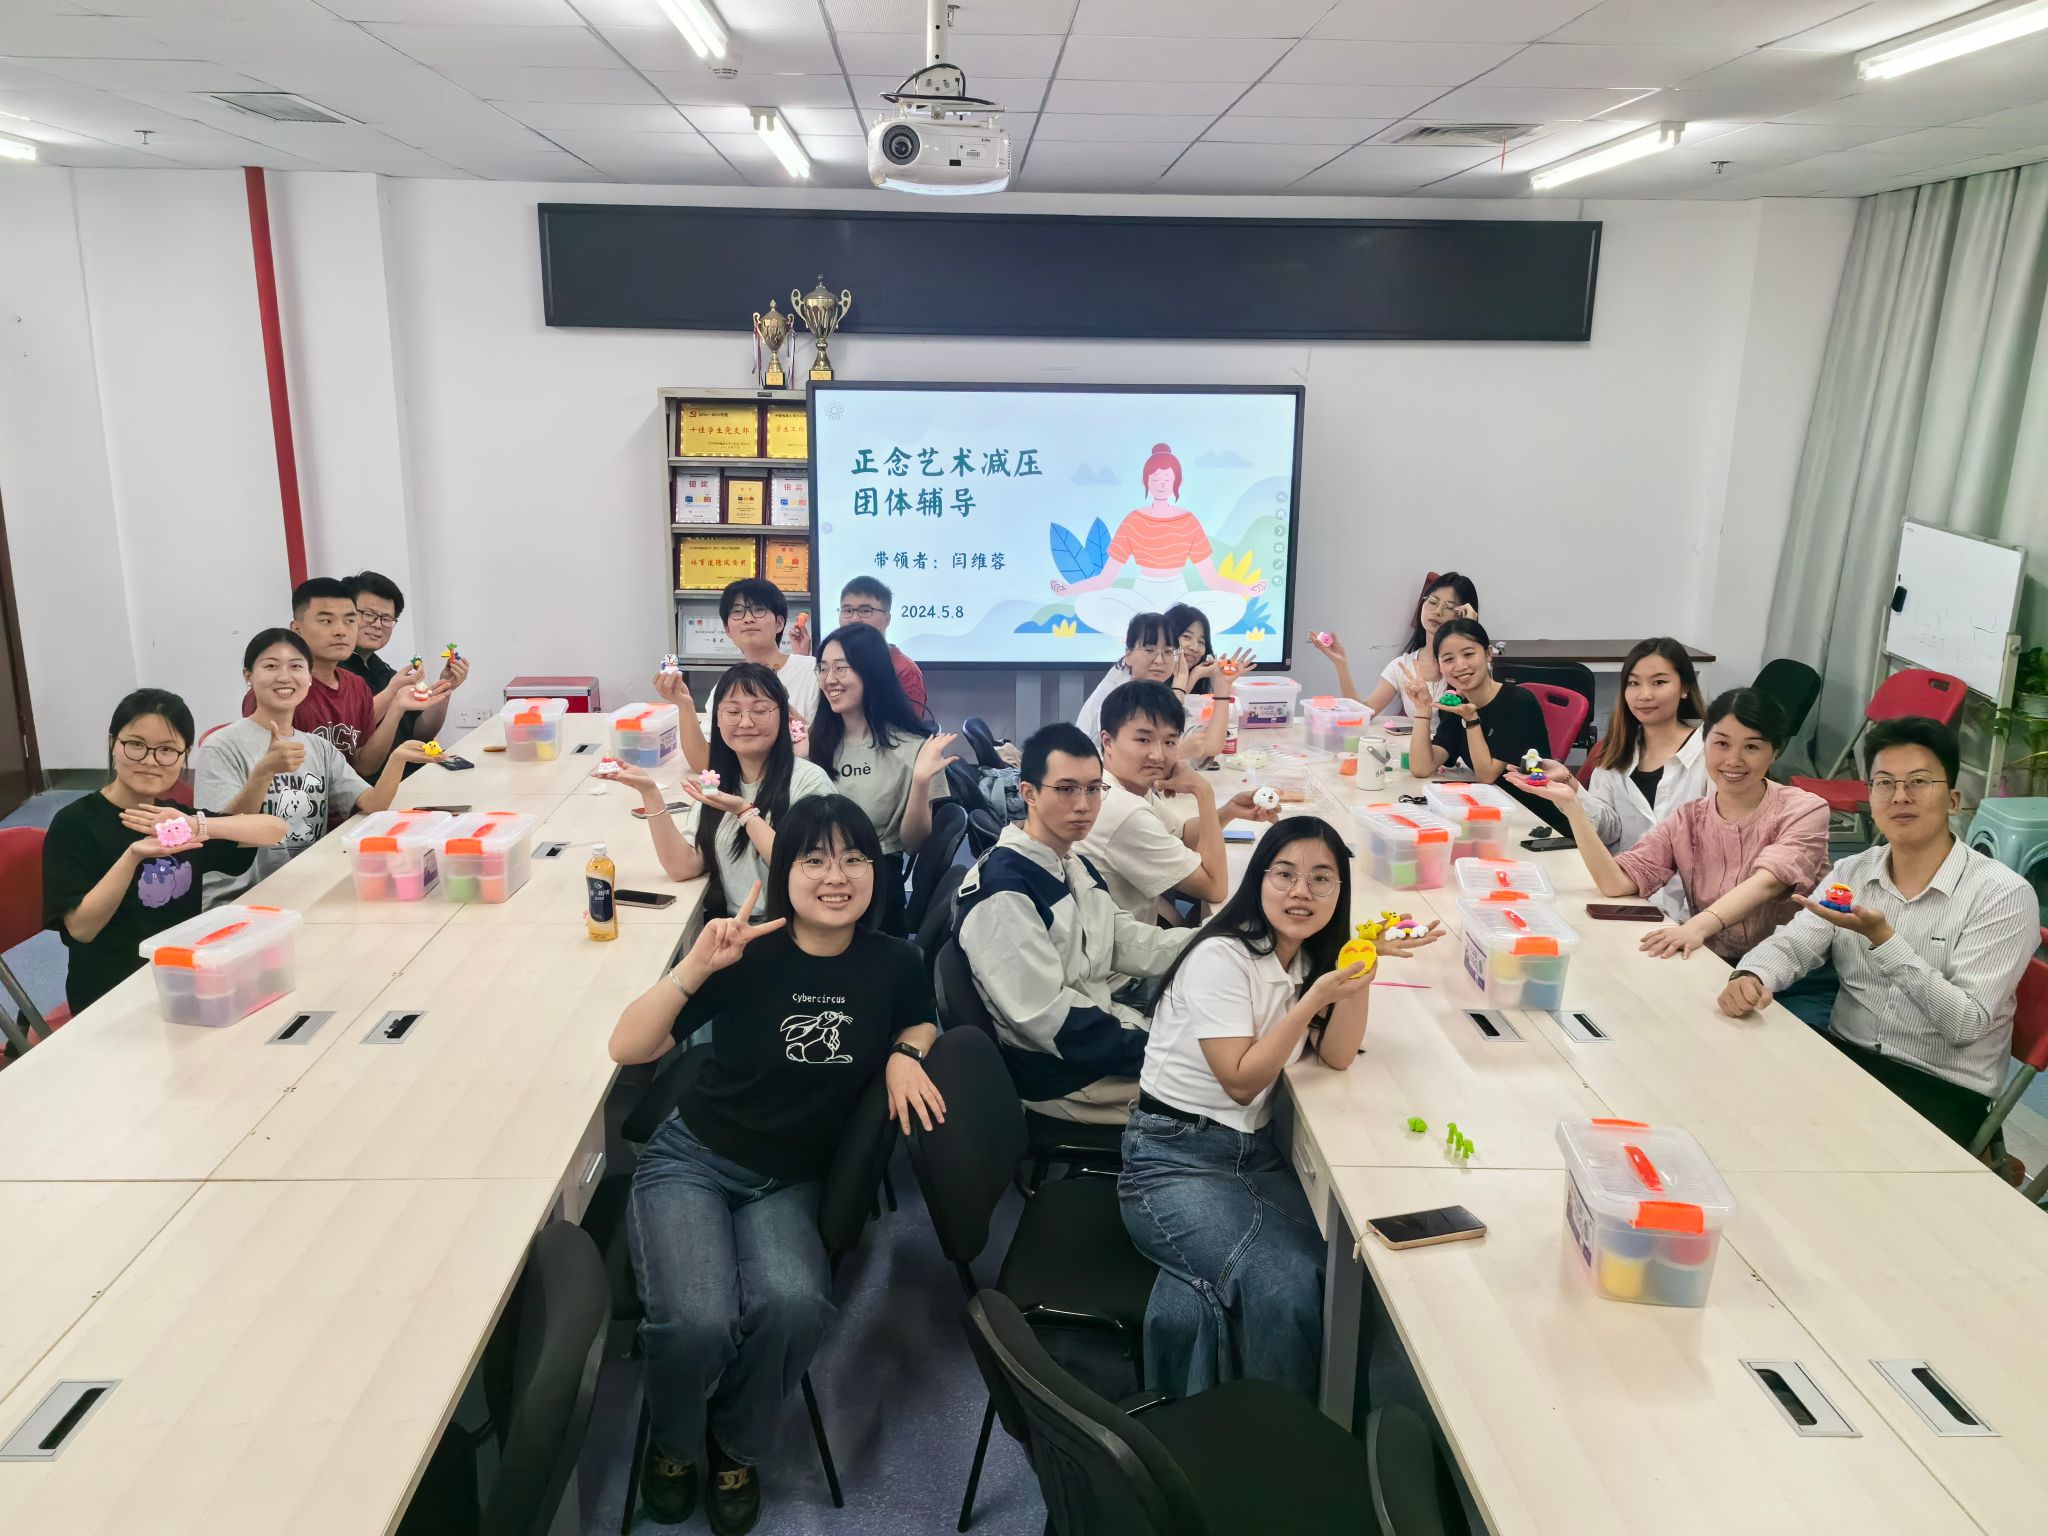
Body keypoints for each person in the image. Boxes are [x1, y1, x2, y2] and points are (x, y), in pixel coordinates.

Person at [608, 797, 946, 1534]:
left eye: (854, 858)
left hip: (789, 1181)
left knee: (793, 1307)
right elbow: (628, 1048)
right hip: (696, 1158)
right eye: (814, 859)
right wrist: (695, 967)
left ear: (875, 870)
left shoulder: (894, 961)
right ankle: (673, 1444)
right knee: (697, 1322)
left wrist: (904, 1052)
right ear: (781, 869)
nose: (837, 876)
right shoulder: (746, 954)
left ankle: (734, 1443)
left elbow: (920, 1016)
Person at [1121, 817, 1441, 1398]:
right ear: (1259, 880)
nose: (1302, 892)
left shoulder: (1301, 958)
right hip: (1172, 1157)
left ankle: (1305, 1408)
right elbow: (1241, 1082)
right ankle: (1285, 1432)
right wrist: (1314, 998)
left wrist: (1360, 972)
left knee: (1345, 1268)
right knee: (1287, 1283)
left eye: (1322, 879)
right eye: (1285, 874)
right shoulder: (1222, 957)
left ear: (1341, 891)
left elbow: (1337, 1056)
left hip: (1252, 1153)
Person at [1718, 718, 2034, 1148]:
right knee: (1736, 1110)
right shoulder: (1853, 872)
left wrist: (1885, 941)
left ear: (1953, 800)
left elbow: (1965, 1024)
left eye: (1918, 782)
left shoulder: (2002, 895)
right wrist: (1752, 975)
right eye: (1884, 783)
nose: (1900, 796)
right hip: (1845, 1058)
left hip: (1940, 1088)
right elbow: (1796, 943)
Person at [954, 723, 1192, 1123]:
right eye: (1066, 789)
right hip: (1065, 1075)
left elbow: (1122, 940)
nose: (1084, 805)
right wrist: (1164, 1049)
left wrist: (1218, 941)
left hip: (1100, 1029)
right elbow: (1054, 1022)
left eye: (1094, 789)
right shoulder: (1003, 893)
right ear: (1028, 792)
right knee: (1229, 1091)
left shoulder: (1068, 860)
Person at [1509, 689, 1830, 962]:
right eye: (1721, 744)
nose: (1733, 759)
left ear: (1775, 752)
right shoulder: (1689, 818)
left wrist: (1696, 927)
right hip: (1709, 958)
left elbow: (1769, 882)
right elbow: (1616, 883)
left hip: (1785, 969)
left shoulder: (1804, 809)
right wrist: (1572, 806)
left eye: (1752, 747)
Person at [43, 689, 288, 1014]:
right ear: (113, 743)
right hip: (112, 995)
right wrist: (133, 856)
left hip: (181, 977)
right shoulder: (75, 823)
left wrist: (199, 825)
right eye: (136, 745)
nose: (150, 760)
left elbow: (274, 829)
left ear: (185, 755)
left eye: (167, 750)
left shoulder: (174, 818)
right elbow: (82, 929)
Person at [195, 629, 430, 901]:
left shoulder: (319, 747)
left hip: (304, 885)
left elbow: (373, 804)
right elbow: (224, 839)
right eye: (271, 666)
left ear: (309, 678)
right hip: (241, 897)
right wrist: (263, 773)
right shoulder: (221, 746)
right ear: (249, 676)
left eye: (296, 666)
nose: (284, 677)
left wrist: (397, 758)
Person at [611, 662, 831, 918]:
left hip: (797, 927)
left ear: (784, 716)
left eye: (760, 710)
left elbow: (807, 868)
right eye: (733, 711)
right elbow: (684, 867)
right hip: (737, 928)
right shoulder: (717, 783)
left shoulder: (810, 782)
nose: (745, 722)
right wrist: (650, 794)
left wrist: (743, 811)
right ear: (717, 720)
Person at [1078, 680, 1274, 923]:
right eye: (1144, 740)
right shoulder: (1123, 810)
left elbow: (1181, 835)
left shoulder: (1118, 783)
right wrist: (1203, 791)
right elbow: (1215, 888)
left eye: (1169, 742)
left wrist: (1228, 811)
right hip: (1120, 941)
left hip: (1126, 921)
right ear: (1108, 742)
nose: (1158, 755)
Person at [808, 623, 955, 936]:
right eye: (823, 668)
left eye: (841, 668)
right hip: (811, 882)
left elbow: (913, 844)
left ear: (871, 672)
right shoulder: (811, 744)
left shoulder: (913, 749)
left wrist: (920, 782)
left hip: (875, 889)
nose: (829, 679)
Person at [1050, 443, 1266, 640]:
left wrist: (1247, 590)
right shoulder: (1134, 519)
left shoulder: (1188, 520)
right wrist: (1068, 590)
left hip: (1180, 599)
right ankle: (1151, 634)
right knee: (1087, 603)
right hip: (1140, 598)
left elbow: (1211, 579)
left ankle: (1157, 634)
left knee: (1235, 604)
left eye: (1167, 479)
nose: (1161, 485)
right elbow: (1106, 579)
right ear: (1145, 482)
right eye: (1155, 479)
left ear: (1177, 482)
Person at [240, 576, 430, 776]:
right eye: (326, 621)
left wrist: (397, 707)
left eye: (349, 621)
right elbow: (267, 779)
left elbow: (364, 766)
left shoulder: (357, 685)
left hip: (353, 794)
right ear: (297, 629)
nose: (341, 631)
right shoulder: (277, 690)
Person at [1580, 638, 1710, 919]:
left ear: (1685, 688)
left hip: (1691, 912)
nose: (1644, 695)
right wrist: (1570, 793)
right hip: (1624, 897)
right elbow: (1608, 830)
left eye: (1659, 682)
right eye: (1634, 683)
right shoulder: (1617, 750)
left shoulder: (1709, 753)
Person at [1404, 617, 1568, 834]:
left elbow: (1487, 775)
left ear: (1488, 654)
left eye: (1469, 654)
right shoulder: (1457, 704)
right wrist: (1422, 710)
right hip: (1492, 814)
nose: (1460, 665)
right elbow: (1422, 768)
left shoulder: (1518, 703)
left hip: (1537, 821)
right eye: (1448, 659)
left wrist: (1471, 720)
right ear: (1439, 666)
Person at [664, 580, 821, 772]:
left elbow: (832, 746)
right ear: (728, 630)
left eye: (759, 609)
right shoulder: (725, 687)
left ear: (779, 623)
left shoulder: (814, 671)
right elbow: (705, 763)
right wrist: (685, 705)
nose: (748, 619)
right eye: (737, 611)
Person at [1308, 571, 1478, 715]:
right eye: (1433, 601)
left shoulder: (1471, 666)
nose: (1438, 611)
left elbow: (1482, 714)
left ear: (1462, 615)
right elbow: (1362, 714)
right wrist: (1341, 664)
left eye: (1450, 607)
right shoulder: (1403, 666)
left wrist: (1470, 633)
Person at [344, 569, 469, 744]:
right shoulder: (330, 672)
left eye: (386, 618)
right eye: (369, 614)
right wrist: (392, 692)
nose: (378, 624)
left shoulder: (385, 672)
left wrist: (445, 687)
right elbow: (349, 732)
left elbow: (420, 734)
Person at [1075, 611, 1177, 745]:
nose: (1160, 660)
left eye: (1168, 651)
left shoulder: (1146, 687)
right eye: (1149, 650)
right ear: (1128, 654)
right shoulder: (1118, 695)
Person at [837, 575, 927, 719]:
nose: (854, 619)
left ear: (887, 619)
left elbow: (908, 730)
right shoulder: (833, 664)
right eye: (847, 611)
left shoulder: (904, 670)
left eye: (865, 611)